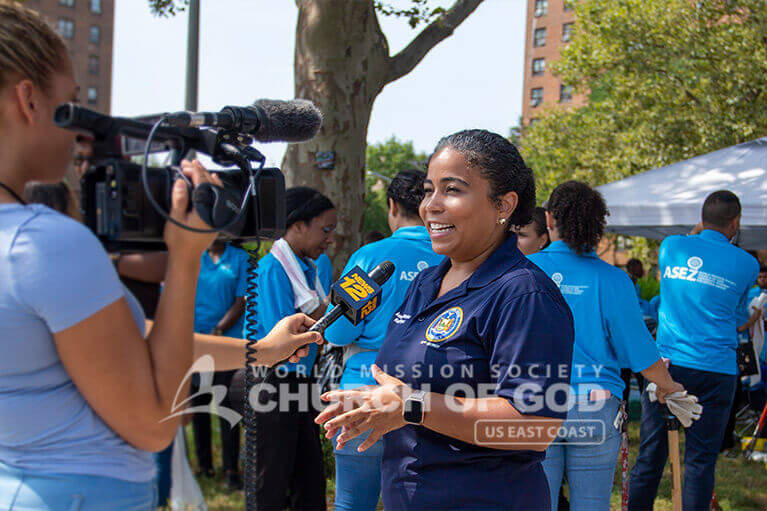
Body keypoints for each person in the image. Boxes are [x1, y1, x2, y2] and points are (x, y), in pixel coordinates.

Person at [0, 4, 320, 509]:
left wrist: (261, 351)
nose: (83, 134)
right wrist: (186, 258)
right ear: (28, 100)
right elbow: (153, 426)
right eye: (73, 103)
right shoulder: (45, 243)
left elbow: (129, 343)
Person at [317, 129, 575, 510]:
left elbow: (534, 426)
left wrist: (412, 404)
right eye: (427, 190)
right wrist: (374, 401)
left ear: (504, 205)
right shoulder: (426, 281)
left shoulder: (524, 295)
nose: (430, 206)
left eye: (452, 190)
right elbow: (407, 385)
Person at [527, 181, 684, 511]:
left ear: (549, 219)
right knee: (591, 504)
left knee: (537, 502)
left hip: (534, 401)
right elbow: (639, 351)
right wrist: (669, 386)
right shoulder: (613, 279)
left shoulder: (524, 271)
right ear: (597, 224)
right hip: (595, 405)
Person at [628, 190, 759, 511]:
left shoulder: (671, 246)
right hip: (717, 369)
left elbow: (689, 243)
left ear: (701, 219)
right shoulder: (748, 264)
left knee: (650, 456)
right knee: (700, 462)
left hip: (668, 366)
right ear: (736, 222)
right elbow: (739, 316)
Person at [323, 169, 443, 511]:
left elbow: (336, 331)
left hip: (361, 391)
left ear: (392, 206)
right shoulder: (452, 257)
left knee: (351, 501)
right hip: (431, 397)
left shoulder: (370, 257)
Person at [240, 186, 336, 511]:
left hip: (299, 383)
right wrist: (329, 312)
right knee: (271, 479)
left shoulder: (312, 270)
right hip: (271, 383)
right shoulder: (271, 270)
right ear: (297, 226)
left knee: (309, 479)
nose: (330, 239)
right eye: (325, 230)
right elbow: (279, 343)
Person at [189, 239, 249, 488]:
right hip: (195, 344)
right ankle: (204, 466)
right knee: (198, 407)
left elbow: (241, 301)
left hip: (227, 344)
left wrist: (219, 329)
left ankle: (230, 470)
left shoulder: (239, 258)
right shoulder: (192, 255)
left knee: (228, 410)